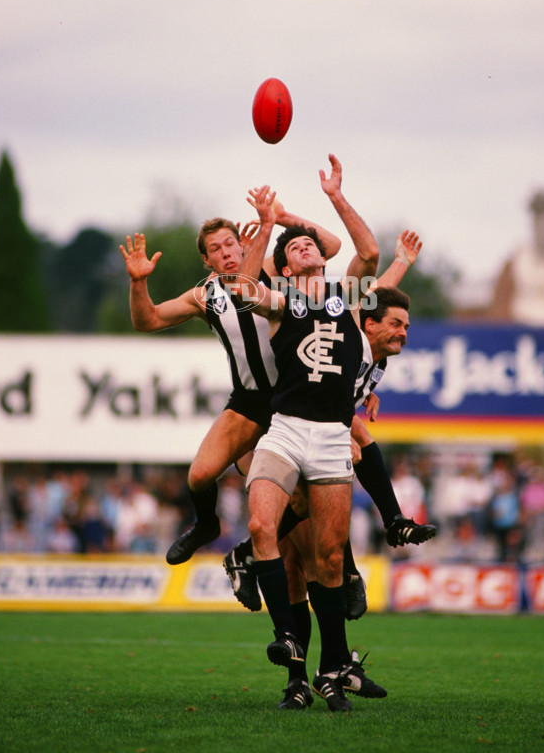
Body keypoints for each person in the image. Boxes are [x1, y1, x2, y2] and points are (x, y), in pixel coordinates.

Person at [233, 154, 384, 713]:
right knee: (259, 523)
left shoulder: (347, 296)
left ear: (321, 256)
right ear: (287, 267)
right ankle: (289, 636)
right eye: (294, 248)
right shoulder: (284, 301)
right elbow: (246, 286)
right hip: (286, 430)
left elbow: (368, 252)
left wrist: (335, 198)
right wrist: (269, 225)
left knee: (328, 556)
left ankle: (331, 668)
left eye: (309, 243)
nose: (305, 247)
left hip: (330, 434)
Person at [119, 202, 341, 564]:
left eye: (229, 244)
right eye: (215, 250)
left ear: (242, 244)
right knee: (200, 475)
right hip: (249, 400)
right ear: (207, 261)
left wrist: (280, 219)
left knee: (313, 495)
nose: (225, 253)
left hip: (293, 396)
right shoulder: (204, 295)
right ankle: (207, 525)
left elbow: (328, 246)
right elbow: (148, 320)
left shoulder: (272, 268)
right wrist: (138, 281)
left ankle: (337, 564)